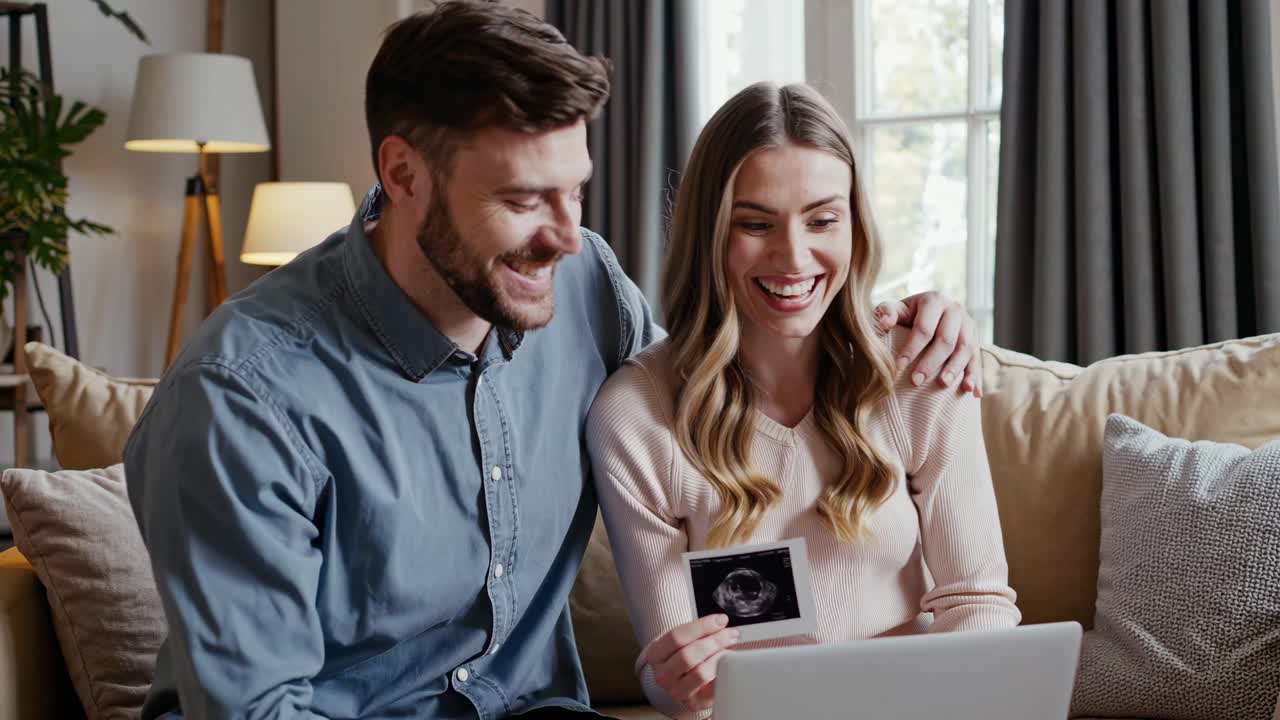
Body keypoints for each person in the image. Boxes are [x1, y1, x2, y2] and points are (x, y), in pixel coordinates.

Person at [125, 4, 989, 719]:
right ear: (403, 174)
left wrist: (914, 322)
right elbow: (257, 709)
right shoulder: (241, 398)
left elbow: (716, 387)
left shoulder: (582, 288)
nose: (568, 237)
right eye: (523, 199)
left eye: (575, 189)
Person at [586, 81, 1021, 720]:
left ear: (855, 228)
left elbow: (978, 603)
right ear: (710, 233)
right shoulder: (635, 417)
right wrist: (675, 684)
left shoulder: (919, 369)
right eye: (755, 224)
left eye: (822, 220)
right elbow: (674, 670)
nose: (793, 257)